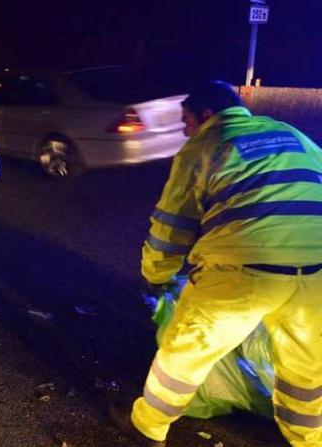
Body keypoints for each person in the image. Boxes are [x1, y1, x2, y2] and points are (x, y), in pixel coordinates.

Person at [109, 81, 322, 447]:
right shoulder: (291, 134)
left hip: (242, 270)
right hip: (316, 270)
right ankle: (308, 437)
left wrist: (155, 277)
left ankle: (148, 427)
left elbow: (171, 226)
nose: (185, 130)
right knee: (305, 366)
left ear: (207, 114)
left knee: (187, 350)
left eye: (186, 121)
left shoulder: (205, 145)